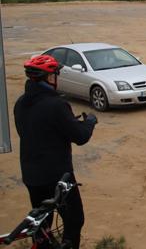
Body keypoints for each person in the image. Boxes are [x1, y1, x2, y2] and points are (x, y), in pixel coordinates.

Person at [14, 55, 97, 249]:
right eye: (55, 74)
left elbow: (27, 132)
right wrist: (90, 122)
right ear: (49, 78)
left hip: (31, 175)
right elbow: (80, 137)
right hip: (58, 176)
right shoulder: (57, 105)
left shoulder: (20, 103)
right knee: (75, 220)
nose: (57, 78)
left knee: (41, 222)